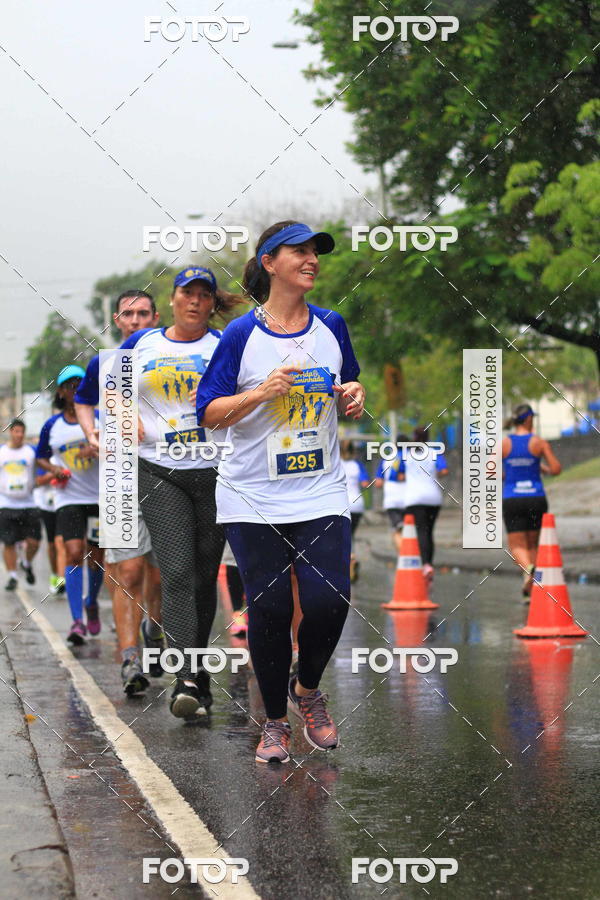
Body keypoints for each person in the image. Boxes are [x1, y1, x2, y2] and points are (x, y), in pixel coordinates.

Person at [196, 221, 365, 763]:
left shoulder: (332, 326)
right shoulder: (242, 336)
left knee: (329, 599)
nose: (312, 259)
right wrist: (261, 392)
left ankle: (307, 688)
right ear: (270, 262)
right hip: (252, 496)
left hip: (319, 490)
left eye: (316, 252)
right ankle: (274, 724)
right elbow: (209, 413)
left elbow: (349, 384)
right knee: (267, 609)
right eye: (300, 251)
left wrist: (352, 396)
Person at [80, 268, 239, 715]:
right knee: (175, 574)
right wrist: (122, 412)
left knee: (205, 578)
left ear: (211, 303)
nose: (195, 302)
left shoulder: (226, 344)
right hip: (159, 470)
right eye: (187, 294)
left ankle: (198, 670)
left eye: (204, 295)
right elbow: (110, 391)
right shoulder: (142, 344)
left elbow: (244, 395)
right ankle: (183, 676)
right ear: (172, 300)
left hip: (215, 471)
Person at [75, 289, 164, 695]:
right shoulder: (105, 362)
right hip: (120, 476)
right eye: (128, 314)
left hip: (168, 473)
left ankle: (153, 627)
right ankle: (129, 657)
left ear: (155, 316)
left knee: (161, 573)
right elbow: (83, 399)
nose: (135, 320)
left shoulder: (171, 354)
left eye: (143, 313)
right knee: (128, 569)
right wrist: (90, 431)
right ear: (117, 319)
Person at [36, 367, 104, 643]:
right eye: (69, 385)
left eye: (80, 383)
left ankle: (92, 603)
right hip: (69, 498)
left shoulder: (99, 418)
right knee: (74, 551)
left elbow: (121, 446)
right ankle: (77, 621)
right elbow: (41, 456)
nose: (75, 388)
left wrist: (97, 447)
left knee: (98, 558)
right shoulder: (52, 426)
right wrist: (54, 470)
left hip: (100, 497)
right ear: (61, 392)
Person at [502, 403, 561, 597]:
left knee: (517, 545)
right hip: (535, 498)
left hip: (513, 499)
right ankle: (535, 584)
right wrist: (540, 468)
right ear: (528, 419)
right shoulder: (539, 442)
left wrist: (510, 473)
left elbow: (491, 471)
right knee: (534, 544)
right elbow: (556, 469)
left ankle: (528, 570)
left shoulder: (504, 443)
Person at [402, 426, 448, 584]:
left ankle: (425, 564)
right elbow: (444, 471)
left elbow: (399, 474)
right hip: (433, 497)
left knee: (420, 531)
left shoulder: (407, 454)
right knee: (429, 532)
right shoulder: (435, 452)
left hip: (414, 498)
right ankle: (429, 565)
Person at [0, 419, 42, 590]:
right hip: (6, 503)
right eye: (16, 431)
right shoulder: (2, 453)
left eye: (22, 432)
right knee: (8, 542)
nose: (19, 435)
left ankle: (26, 562)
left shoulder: (31, 452)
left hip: (29, 502)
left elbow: (42, 469)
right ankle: (12, 576)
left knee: (34, 542)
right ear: (10, 432)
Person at [340, 440, 370, 582]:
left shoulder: (335, 464)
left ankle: (348, 559)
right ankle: (352, 557)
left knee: (342, 536)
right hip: (357, 504)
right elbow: (365, 483)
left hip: (341, 505)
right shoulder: (358, 465)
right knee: (351, 533)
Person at [375, 433, 409, 556]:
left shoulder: (386, 459)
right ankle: (408, 556)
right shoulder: (411, 458)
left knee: (397, 530)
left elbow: (378, 483)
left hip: (391, 500)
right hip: (408, 500)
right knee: (410, 530)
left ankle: (403, 557)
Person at [33, 464, 64, 594]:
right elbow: (38, 481)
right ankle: (55, 575)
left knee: (61, 542)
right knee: (52, 545)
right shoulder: (44, 458)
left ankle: (62, 580)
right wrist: (55, 472)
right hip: (48, 507)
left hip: (66, 504)